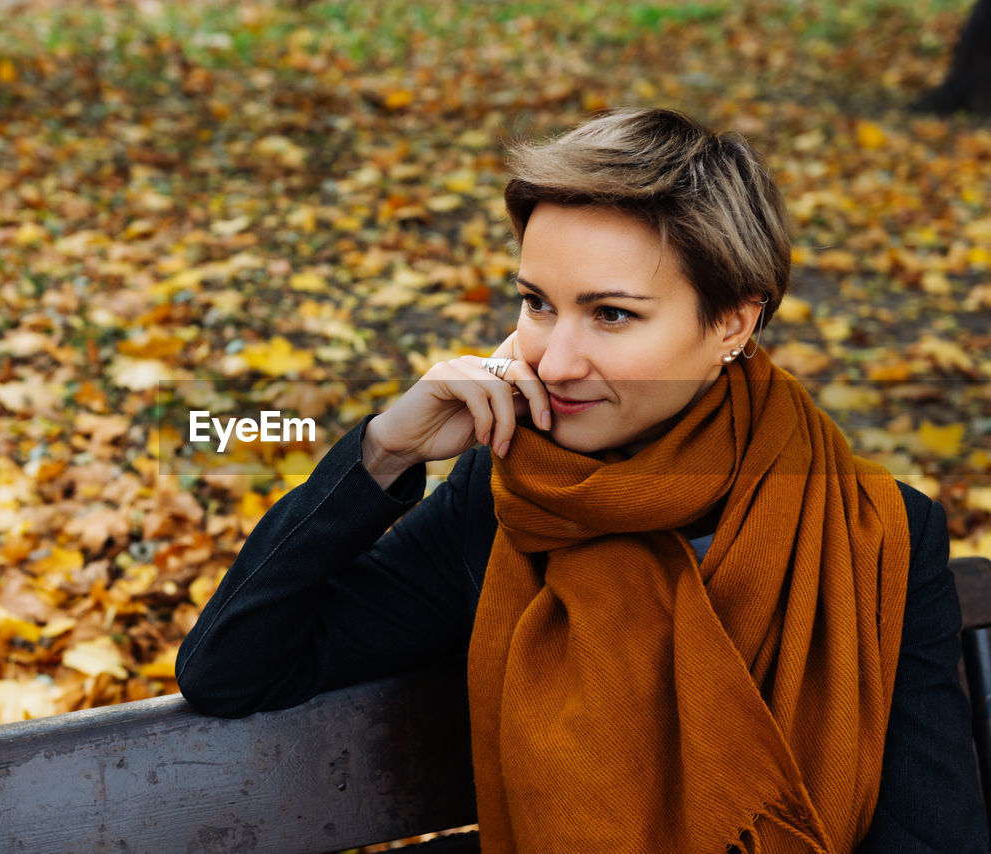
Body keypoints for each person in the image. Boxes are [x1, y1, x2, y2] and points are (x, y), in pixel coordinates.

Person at [174, 108, 987, 853]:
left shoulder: (871, 530)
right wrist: (385, 451)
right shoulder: (502, 505)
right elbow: (234, 667)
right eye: (537, 303)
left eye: (612, 314)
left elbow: (930, 836)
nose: (555, 361)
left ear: (733, 322)